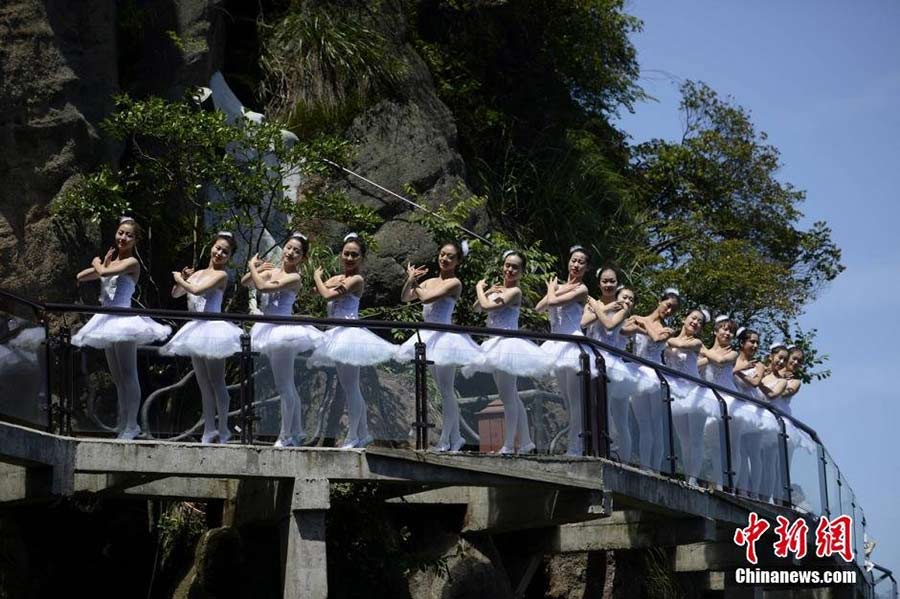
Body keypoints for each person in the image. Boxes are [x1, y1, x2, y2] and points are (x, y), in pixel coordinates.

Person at [71, 216, 171, 440]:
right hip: (106, 320)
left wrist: (98, 262)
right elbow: (83, 276)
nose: (123, 238)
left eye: (129, 235)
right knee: (117, 377)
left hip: (124, 320)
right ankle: (123, 422)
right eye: (121, 233)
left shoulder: (131, 263)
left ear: (135, 240)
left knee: (128, 374)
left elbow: (104, 273)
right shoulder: (111, 262)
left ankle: (132, 425)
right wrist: (96, 268)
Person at [308, 233, 398, 448]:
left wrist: (318, 277)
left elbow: (326, 295)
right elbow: (315, 292)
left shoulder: (357, 280)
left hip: (348, 334)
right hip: (335, 333)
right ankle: (363, 433)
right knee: (349, 385)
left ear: (362, 258)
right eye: (346, 254)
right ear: (341, 254)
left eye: (354, 255)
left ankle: (354, 436)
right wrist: (326, 283)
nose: (349, 258)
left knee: (351, 387)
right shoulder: (339, 278)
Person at [462, 250, 552, 454]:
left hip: (508, 345)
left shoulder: (515, 292)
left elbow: (486, 307)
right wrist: (487, 291)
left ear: (521, 272)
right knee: (510, 395)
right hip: (494, 343)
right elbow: (477, 308)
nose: (510, 270)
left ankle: (509, 444)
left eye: (515, 267)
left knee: (508, 396)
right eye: (507, 265)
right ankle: (526, 442)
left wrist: (479, 288)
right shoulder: (499, 289)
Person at [398, 241, 484, 452]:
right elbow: (405, 297)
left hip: (445, 339)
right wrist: (410, 279)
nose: (445, 259)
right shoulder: (429, 281)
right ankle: (456, 437)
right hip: (428, 337)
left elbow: (426, 298)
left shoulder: (454, 283)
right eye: (443, 254)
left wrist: (416, 284)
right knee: (443, 389)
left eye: (450, 257)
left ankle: (446, 439)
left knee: (446, 390)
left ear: (458, 261)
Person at [160, 232, 243, 444]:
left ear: (229, 257)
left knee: (217, 381)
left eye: (225, 252)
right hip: (195, 330)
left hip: (213, 330)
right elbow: (176, 294)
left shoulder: (221, 275)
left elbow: (196, 290)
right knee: (203, 384)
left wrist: (180, 278)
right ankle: (209, 429)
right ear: (211, 247)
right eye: (218, 248)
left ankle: (223, 429)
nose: (219, 253)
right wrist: (183, 279)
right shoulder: (198, 273)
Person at [243, 232, 322, 447]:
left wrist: (252, 267)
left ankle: (286, 435)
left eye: (297, 251)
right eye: (289, 247)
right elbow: (246, 282)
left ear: (302, 258)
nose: (291, 253)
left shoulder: (294, 277)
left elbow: (263, 287)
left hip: (283, 332)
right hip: (267, 328)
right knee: (286, 385)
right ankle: (297, 431)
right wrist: (258, 268)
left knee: (285, 386)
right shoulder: (273, 270)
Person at [582, 267, 647, 463]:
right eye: (605, 281)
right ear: (599, 283)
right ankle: (597, 450)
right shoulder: (594, 303)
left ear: (617, 284)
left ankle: (623, 459)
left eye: (612, 281)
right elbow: (583, 323)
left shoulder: (621, 308)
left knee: (618, 415)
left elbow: (609, 326)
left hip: (612, 364)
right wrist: (601, 306)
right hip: (593, 360)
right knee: (595, 407)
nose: (608, 284)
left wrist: (599, 307)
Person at [537, 245, 593, 457]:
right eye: (573, 260)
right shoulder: (559, 287)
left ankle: (576, 448)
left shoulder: (582, 289)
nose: (576, 265)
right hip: (556, 344)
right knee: (567, 401)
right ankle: (576, 443)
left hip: (572, 344)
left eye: (581, 262)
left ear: (586, 268)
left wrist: (552, 289)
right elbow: (539, 308)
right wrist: (556, 288)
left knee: (576, 400)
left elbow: (551, 301)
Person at [621, 288, 680, 471]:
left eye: (673, 310)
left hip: (655, 375)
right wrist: (636, 322)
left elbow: (656, 338)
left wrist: (643, 324)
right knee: (643, 424)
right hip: (637, 373)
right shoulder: (637, 318)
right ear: (659, 301)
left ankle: (656, 468)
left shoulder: (668, 330)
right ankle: (645, 466)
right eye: (667, 305)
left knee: (657, 425)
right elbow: (621, 330)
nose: (668, 311)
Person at [665, 308, 717, 486]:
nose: (695, 323)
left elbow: (680, 345)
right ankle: (687, 477)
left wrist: (662, 335)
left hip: (694, 392)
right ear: (684, 319)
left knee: (695, 438)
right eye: (693, 318)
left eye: (700, 322)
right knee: (683, 439)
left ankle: (693, 479)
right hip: (676, 391)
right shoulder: (671, 338)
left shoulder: (696, 342)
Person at [700, 315, 752, 489]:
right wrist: (705, 354)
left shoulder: (733, 353)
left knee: (733, 446)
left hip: (730, 401)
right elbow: (697, 366)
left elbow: (721, 361)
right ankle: (718, 483)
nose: (728, 333)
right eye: (725, 329)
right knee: (714, 446)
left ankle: (732, 486)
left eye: (731, 331)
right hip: (710, 399)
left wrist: (703, 350)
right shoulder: (705, 352)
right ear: (715, 331)